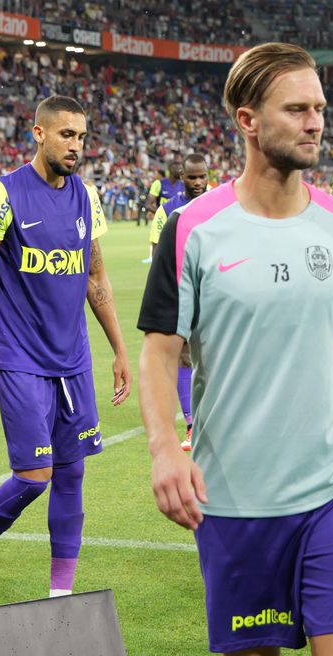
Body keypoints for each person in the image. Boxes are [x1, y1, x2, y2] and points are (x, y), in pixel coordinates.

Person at [137, 43, 333, 656]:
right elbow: (160, 353)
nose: (315, 122)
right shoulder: (192, 229)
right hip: (234, 495)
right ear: (248, 120)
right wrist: (165, 447)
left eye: (319, 108)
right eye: (297, 109)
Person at [0, 95, 130, 610]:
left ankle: (61, 598)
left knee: (72, 475)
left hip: (73, 360)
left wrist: (119, 348)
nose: (77, 145)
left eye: (82, 136)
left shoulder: (87, 198)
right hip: (20, 360)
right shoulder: (3, 195)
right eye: (66, 135)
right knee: (35, 478)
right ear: (39, 133)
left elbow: (95, 278)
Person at [148, 152, 211, 451]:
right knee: (184, 355)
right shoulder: (167, 211)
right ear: (181, 177)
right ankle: (190, 424)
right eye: (192, 177)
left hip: (214, 290)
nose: (197, 182)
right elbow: (158, 253)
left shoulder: (220, 205)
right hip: (181, 291)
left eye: (202, 177)